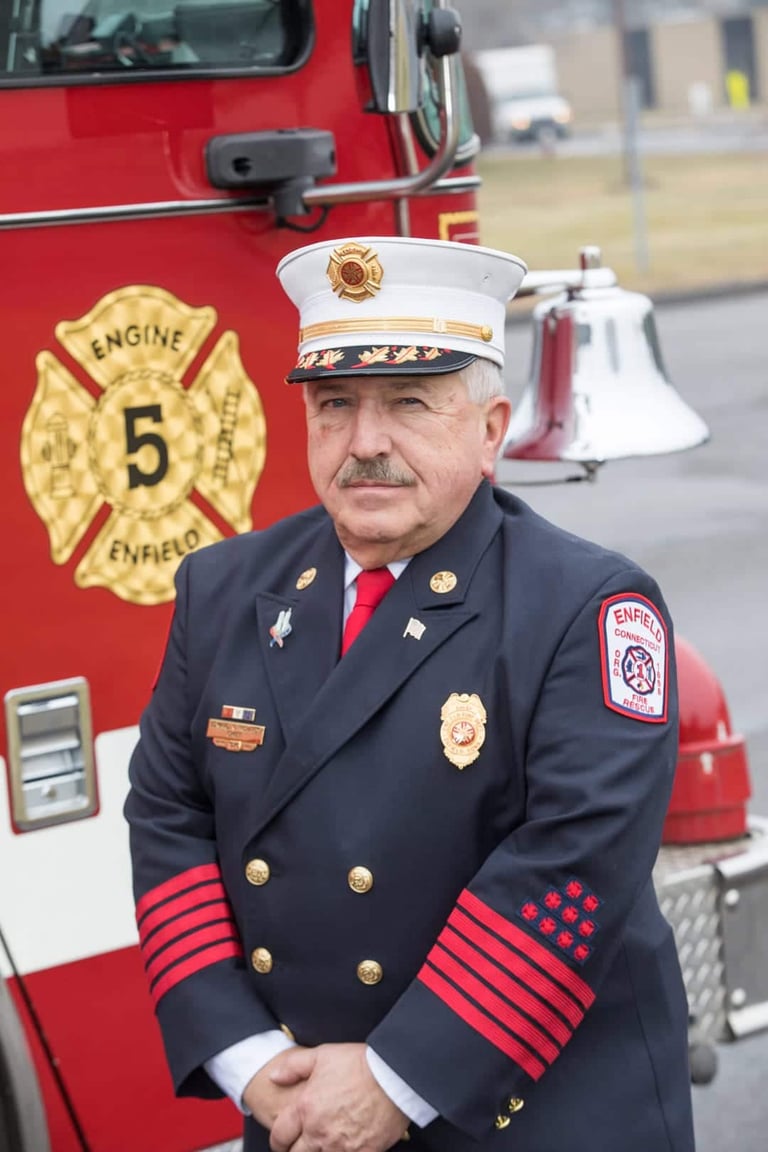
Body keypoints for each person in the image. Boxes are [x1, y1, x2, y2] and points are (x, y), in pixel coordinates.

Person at [125, 236, 695, 1152]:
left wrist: (397, 1079)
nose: (366, 444)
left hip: (525, 1115)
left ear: (490, 430)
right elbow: (168, 817)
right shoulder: (222, 589)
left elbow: (577, 863)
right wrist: (246, 1058)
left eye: (409, 403)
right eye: (335, 404)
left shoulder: (586, 606)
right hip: (299, 1108)